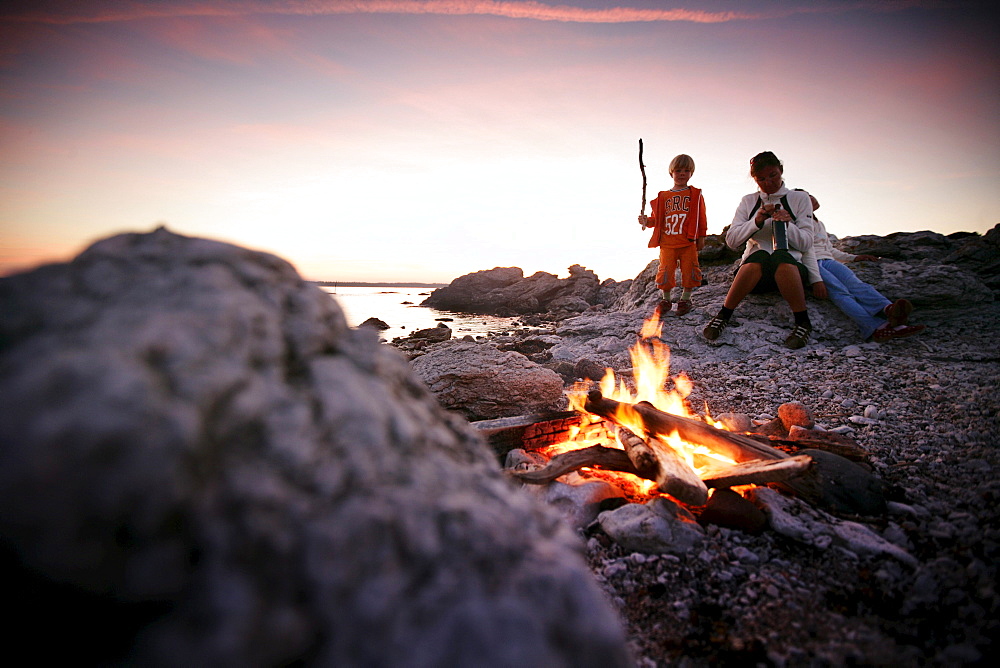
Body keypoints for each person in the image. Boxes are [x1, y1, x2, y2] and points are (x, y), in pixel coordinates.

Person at [703, 151, 820, 349]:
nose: (768, 183)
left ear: (781, 171)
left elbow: (807, 243)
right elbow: (732, 241)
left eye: (773, 175)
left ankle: (802, 322)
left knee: (780, 255)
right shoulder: (749, 201)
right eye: (761, 179)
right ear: (754, 179)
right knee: (760, 254)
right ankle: (724, 315)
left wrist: (787, 224)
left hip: (791, 272)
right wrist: (756, 221)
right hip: (755, 276)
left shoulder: (799, 198)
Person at [802, 191, 926, 342]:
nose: (811, 198)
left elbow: (830, 250)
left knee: (858, 285)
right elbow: (803, 250)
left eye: (810, 194)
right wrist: (815, 278)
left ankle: (890, 310)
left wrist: (854, 258)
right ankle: (875, 328)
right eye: (805, 197)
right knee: (840, 293)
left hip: (829, 261)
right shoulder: (800, 222)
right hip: (813, 262)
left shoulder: (819, 223)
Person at [638, 153, 707, 317]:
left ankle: (685, 298)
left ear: (691, 173)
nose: (682, 173)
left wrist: (702, 237)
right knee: (666, 271)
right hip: (667, 242)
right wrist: (646, 221)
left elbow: (701, 218)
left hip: (687, 241)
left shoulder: (695, 195)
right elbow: (657, 220)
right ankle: (666, 300)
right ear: (671, 173)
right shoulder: (663, 196)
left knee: (689, 270)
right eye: (678, 170)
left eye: (686, 170)